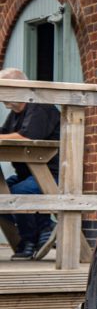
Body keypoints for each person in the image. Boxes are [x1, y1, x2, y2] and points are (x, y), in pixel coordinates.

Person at [0, 68, 60, 259]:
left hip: (52, 175)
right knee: (4, 193)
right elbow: (4, 133)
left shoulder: (40, 106)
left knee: (18, 193)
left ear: (19, 87)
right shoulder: (17, 113)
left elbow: (25, 137)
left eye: (3, 88)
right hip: (28, 176)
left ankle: (28, 240)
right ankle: (42, 228)